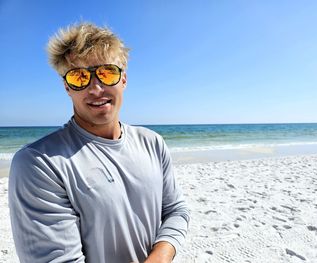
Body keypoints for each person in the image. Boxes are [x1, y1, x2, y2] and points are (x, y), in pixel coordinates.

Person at [8, 22, 190, 263]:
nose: (95, 88)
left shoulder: (152, 143)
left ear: (123, 79)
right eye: (79, 76)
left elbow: (176, 210)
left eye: (107, 73)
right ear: (67, 87)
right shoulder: (39, 163)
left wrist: (159, 255)